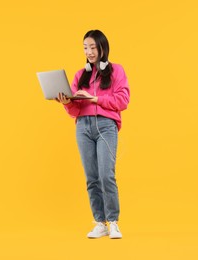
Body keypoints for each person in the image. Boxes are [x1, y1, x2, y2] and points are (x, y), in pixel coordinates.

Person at [56, 30, 130, 239]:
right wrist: (66, 102)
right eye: (85, 48)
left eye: (92, 47)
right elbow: (75, 112)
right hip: (83, 127)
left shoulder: (117, 71)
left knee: (106, 175)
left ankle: (113, 221)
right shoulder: (81, 75)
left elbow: (122, 101)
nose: (88, 51)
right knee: (92, 178)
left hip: (106, 126)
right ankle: (100, 222)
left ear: (102, 47)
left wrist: (94, 98)